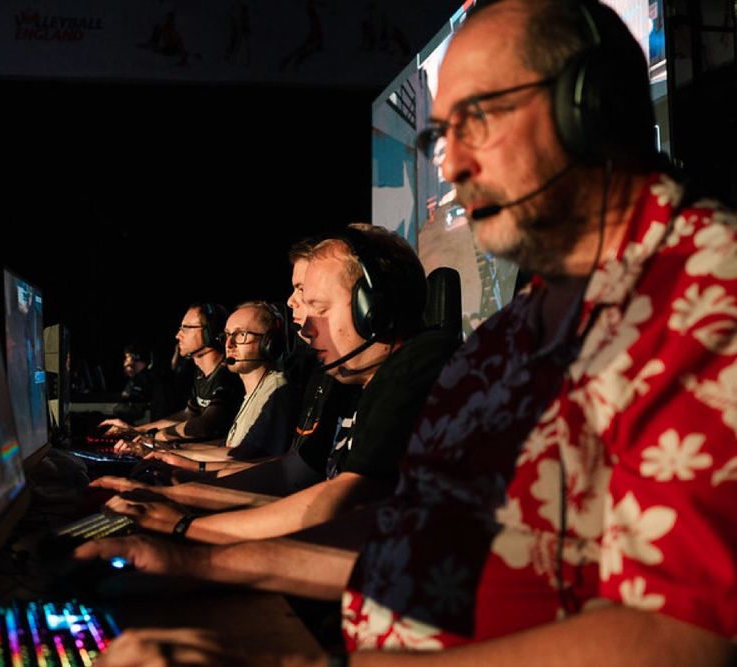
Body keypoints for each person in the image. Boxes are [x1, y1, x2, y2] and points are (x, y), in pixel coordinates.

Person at [84, 1, 737, 664]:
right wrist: (195, 561)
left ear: (589, 106)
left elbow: (686, 634)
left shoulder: (708, 300)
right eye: (441, 136)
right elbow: (411, 534)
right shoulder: (513, 333)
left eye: (477, 119)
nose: (451, 166)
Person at [96, 224, 458, 545]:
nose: (304, 324)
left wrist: (186, 525)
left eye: (317, 304)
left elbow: (343, 504)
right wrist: (187, 496)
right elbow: (302, 482)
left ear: (373, 310)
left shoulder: (420, 365)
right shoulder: (352, 380)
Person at [125, 301, 299, 469]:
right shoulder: (255, 391)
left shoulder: (275, 388)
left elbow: (240, 456)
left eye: (241, 334)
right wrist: (165, 448)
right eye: (227, 335)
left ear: (269, 343)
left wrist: (169, 452)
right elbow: (228, 447)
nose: (229, 344)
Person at [100, 303, 244, 445]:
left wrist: (153, 436)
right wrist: (138, 430)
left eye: (186, 328)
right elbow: (189, 414)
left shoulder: (228, 375)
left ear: (210, 333)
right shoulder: (201, 374)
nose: (178, 335)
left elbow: (204, 425)